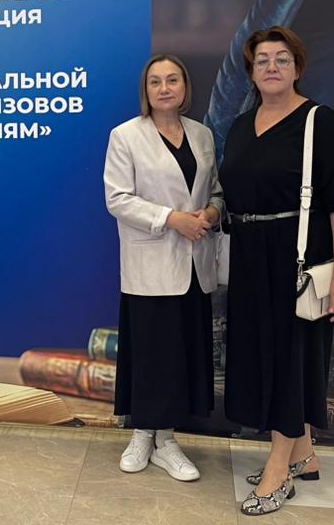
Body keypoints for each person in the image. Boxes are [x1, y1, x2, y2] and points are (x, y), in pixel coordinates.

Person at [218, 26, 334, 516]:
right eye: (262, 60)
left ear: (297, 67)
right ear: (251, 71)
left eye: (281, 58)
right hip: (249, 255)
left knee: (289, 358)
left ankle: (279, 467)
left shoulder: (321, 122)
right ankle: (304, 454)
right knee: (261, 355)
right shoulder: (241, 125)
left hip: (297, 256)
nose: (272, 67)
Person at [103, 54, 223, 483]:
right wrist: (173, 219)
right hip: (150, 263)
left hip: (194, 264)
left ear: (185, 87)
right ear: (146, 90)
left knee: (181, 354)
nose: (165, 88)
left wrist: (210, 213)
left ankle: (167, 441)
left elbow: (216, 190)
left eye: (173, 80)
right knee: (151, 352)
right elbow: (118, 199)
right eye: (156, 82)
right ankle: (141, 435)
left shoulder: (202, 135)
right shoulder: (126, 136)